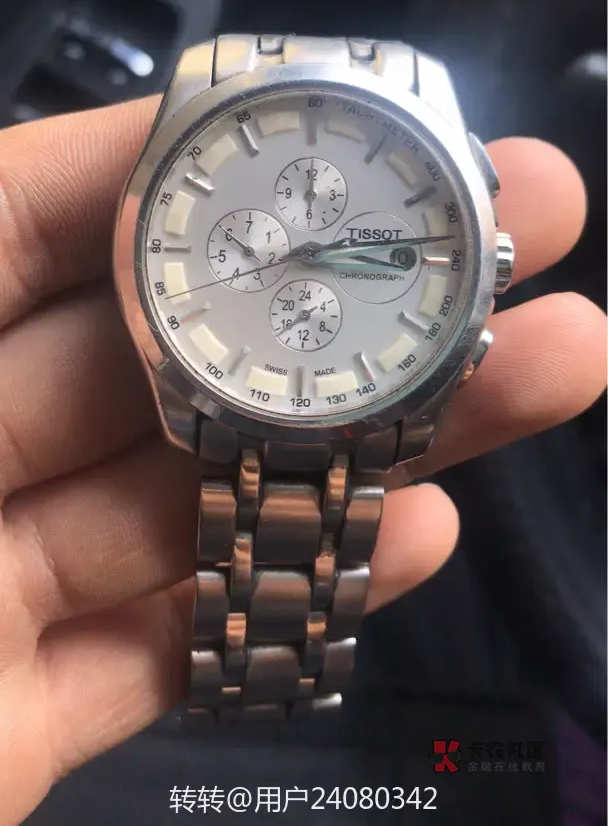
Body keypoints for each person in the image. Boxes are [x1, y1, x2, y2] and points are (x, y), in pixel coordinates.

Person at [0, 98, 605, 826]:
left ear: (489, 263)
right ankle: (268, 724)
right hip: (229, 392)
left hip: (346, 401)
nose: (304, 253)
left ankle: (263, 712)